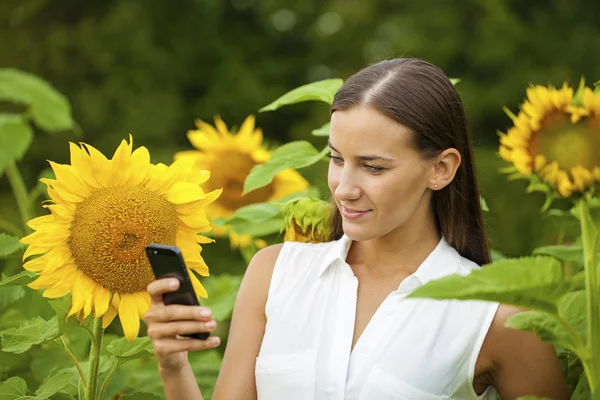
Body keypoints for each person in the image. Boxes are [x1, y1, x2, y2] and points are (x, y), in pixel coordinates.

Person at [145, 58, 569, 400]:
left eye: (372, 166)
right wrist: (174, 365)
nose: (344, 189)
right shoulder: (274, 273)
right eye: (336, 159)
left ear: (441, 169)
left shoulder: (498, 318)